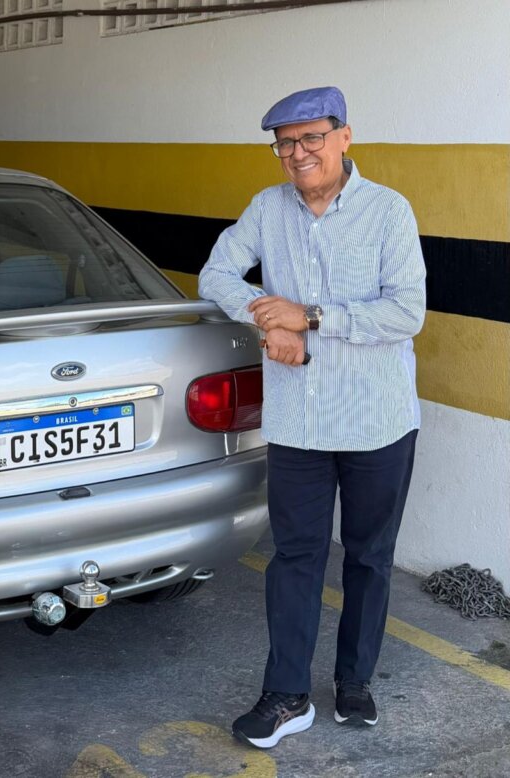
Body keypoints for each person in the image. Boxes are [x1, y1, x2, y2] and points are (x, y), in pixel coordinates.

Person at [198, 86, 426, 749]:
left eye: (311, 139)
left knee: (369, 557)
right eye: (285, 143)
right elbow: (216, 273)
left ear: (344, 137)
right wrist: (267, 313)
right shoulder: (267, 210)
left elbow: (405, 312)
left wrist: (313, 320)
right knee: (294, 556)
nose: (298, 154)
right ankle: (286, 695)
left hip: (378, 419)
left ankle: (355, 679)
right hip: (299, 420)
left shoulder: (388, 212)